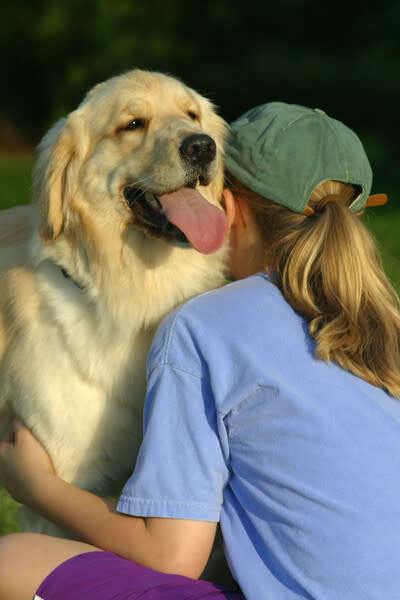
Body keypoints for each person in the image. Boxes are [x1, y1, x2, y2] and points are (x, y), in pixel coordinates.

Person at [0, 102, 399, 600]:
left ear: (226, 211)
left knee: (10, 560)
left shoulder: (204, 325)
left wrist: (39, 486)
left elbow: (171, 558)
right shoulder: (386, 326)